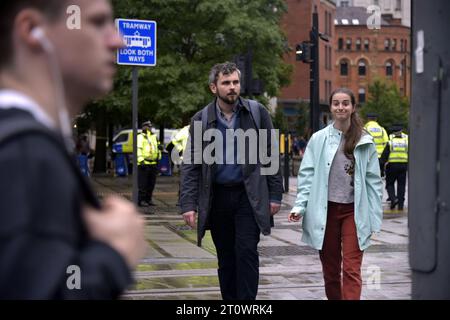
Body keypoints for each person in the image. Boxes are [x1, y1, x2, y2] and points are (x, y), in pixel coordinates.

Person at [0, 0, 147, 299]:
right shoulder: (26, 154)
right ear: (32, 30)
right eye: (97, 22)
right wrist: (113, 254)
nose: (118, 40)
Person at [180, 62, 283, 300]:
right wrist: (188, 204)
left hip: (249, 196)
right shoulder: (201, 119)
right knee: (226, 257)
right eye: (226, 83)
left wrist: (275, 194)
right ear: (213, 87)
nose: (232, 87)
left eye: (235, 82)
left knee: (246, 251)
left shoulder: (257, 113)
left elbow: (271, 154)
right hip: (217, 198)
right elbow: (191, 164)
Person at [288, 88, 383, 300]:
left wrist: (375, 218)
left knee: (351, 269)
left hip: (354, 212)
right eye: (336, 103)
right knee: (330, 272)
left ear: (353, 107)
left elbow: (373, 181)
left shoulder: (365, 140)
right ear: (331, 107)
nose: (341, 107)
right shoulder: (318, 139)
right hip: (326, 211)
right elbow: (307, 175)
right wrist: (299, 206)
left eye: (345, 103)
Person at [380, 124, 408, 210]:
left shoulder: (391, 142)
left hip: (392, 166)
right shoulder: (406, 141)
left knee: (389, 184)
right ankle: (400, 205)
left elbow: (384, 156)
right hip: (403, 165)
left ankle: (393, 199)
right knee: (401, 185)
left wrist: (381, 168)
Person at [137, 120, 161, 207]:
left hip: (153, 163)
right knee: (143, 184)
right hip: (144, 163)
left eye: (150, 127)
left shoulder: (154, 137)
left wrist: (159, 157)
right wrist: (141, 161)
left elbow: (157, 149)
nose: (149, 128)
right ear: (143, 127)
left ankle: (148, 199)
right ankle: (141, 200)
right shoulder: (140, 137)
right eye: (147, 126)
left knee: (151, 184)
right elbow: (138, 149)